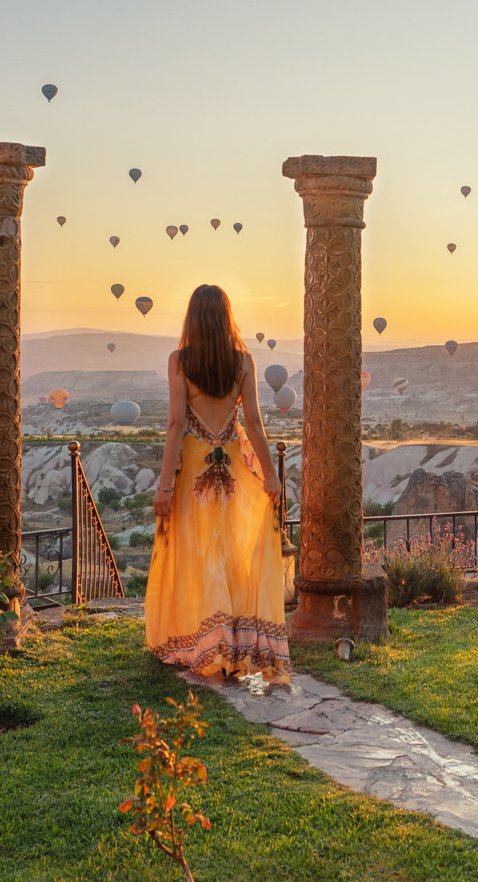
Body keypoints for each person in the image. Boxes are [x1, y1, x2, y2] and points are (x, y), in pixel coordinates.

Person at [147, 284, 289, 683]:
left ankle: (210, 642)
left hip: (193, 468)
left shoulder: (179, 361)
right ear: (226, 317)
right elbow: (256, 424)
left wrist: (164, 486)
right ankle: (231, 641)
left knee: (198, 551)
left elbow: (176, 425)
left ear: (192, 317)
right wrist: (272, 475)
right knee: (231, 550)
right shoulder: (243, 362)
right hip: (232, 470)